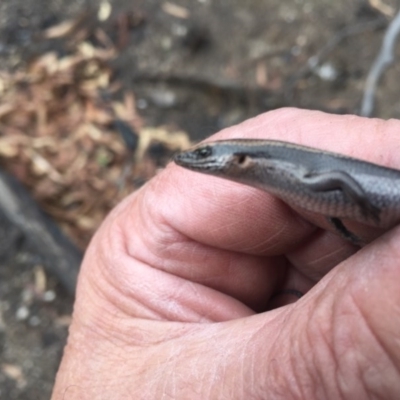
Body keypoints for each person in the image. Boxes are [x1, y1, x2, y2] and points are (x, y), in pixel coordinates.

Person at [51, 108, 400, 399]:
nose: (193, 160)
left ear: (242, 159)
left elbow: (339, 177)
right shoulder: (289, 181)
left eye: (205, 155)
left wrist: (360, 204)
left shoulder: (297, 176)